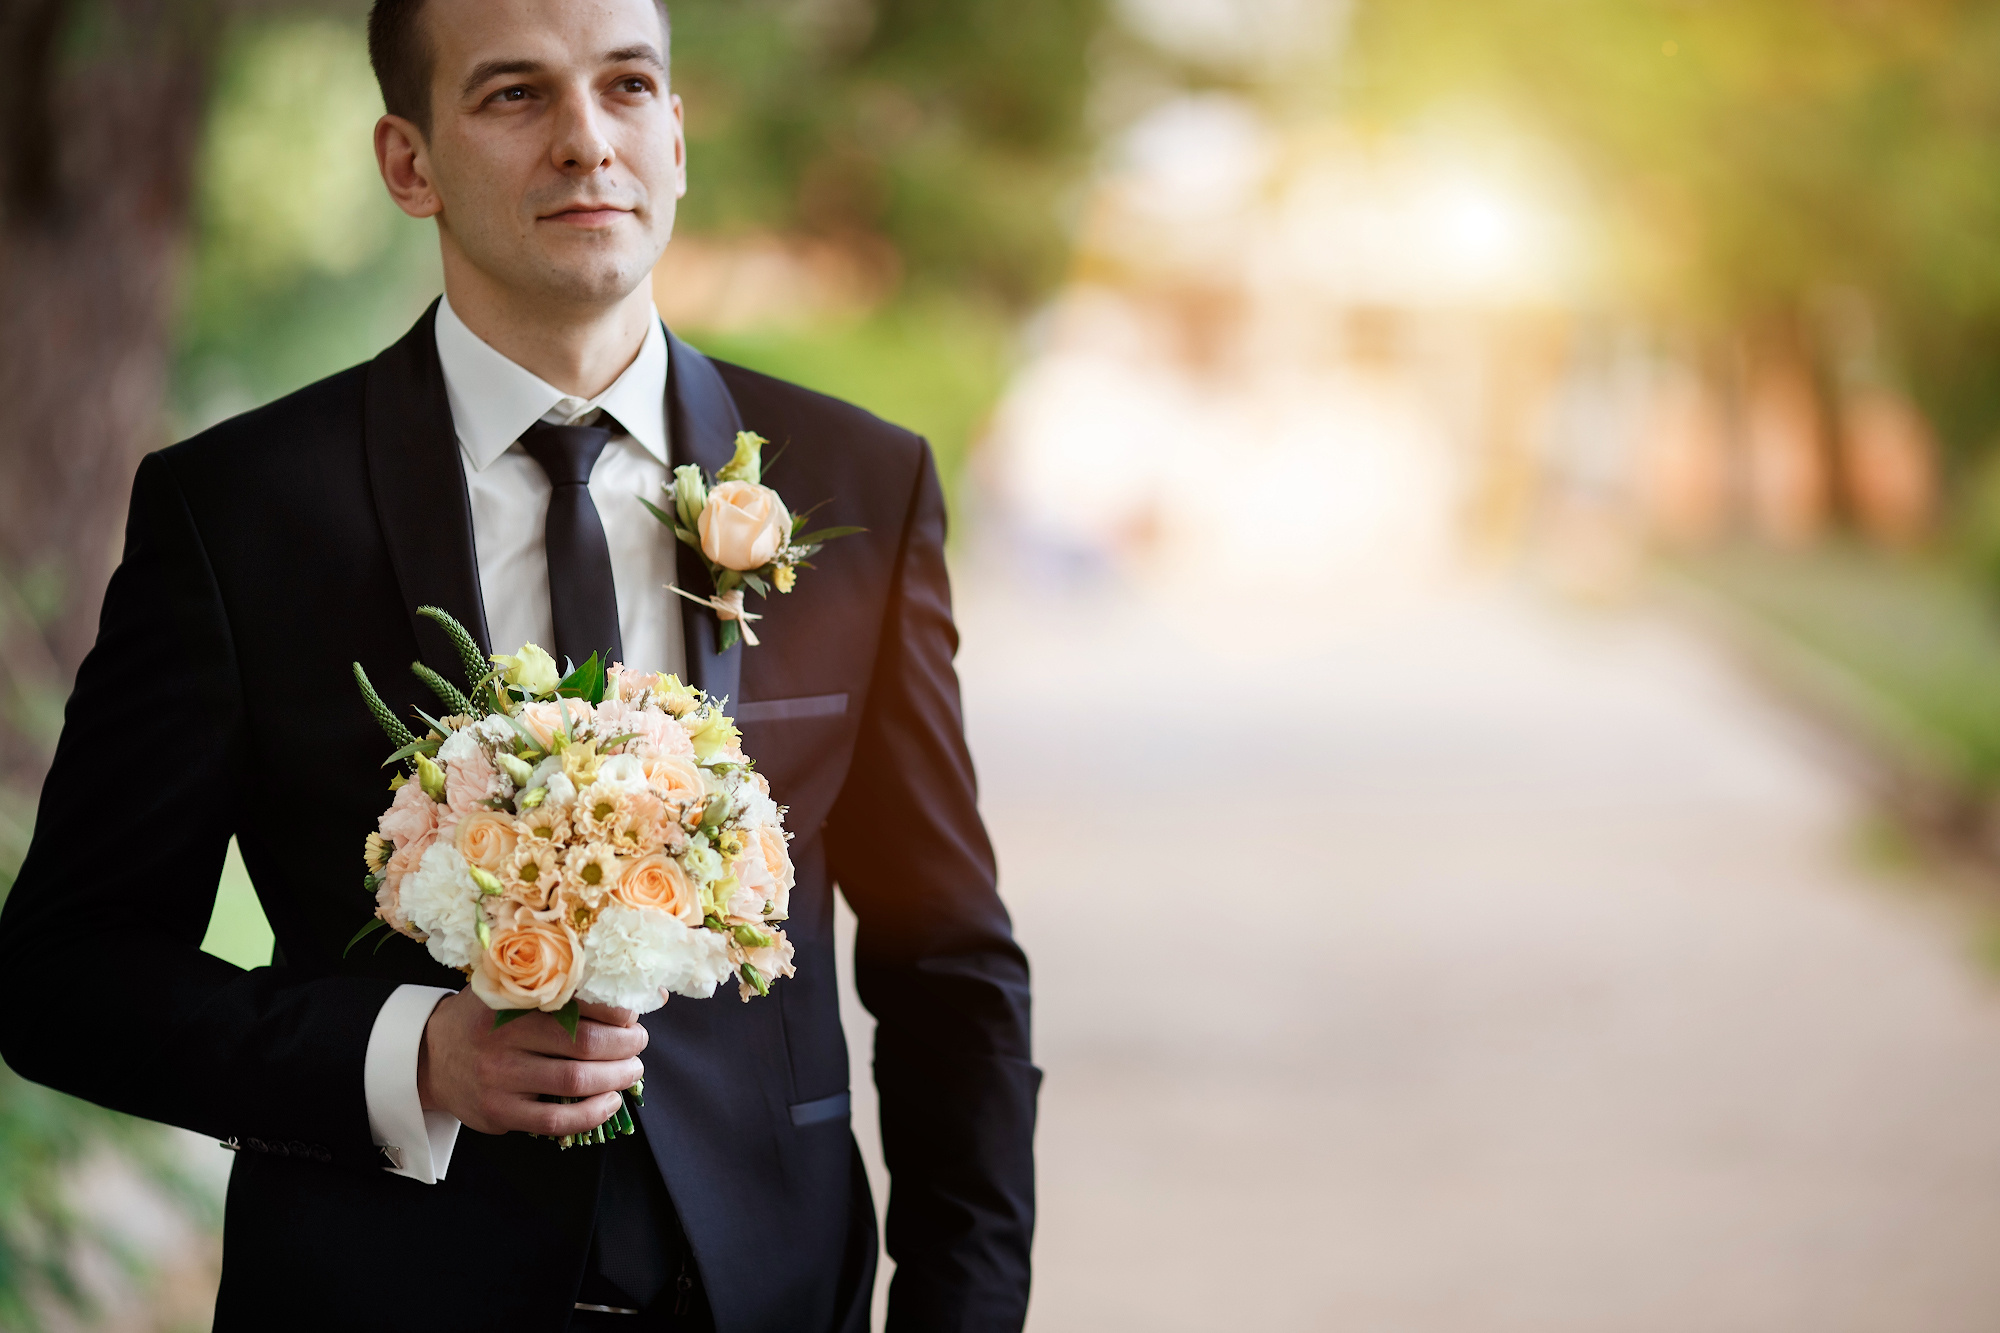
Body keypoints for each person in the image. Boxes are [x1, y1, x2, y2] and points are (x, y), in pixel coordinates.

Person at [0, 0, 1038, 1327]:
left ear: (677, 132)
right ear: (407, 162)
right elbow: (67, 974)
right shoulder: (240, 514)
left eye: (625, 87)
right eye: (513, 96)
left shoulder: (856, 483)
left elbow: (950, 969)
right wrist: (407, 1056)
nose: (585, 142)